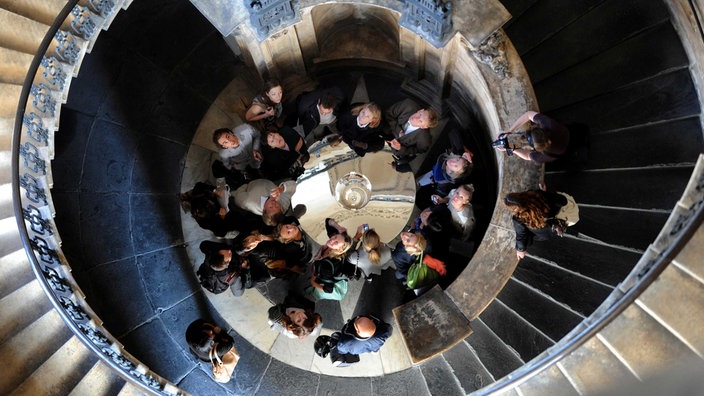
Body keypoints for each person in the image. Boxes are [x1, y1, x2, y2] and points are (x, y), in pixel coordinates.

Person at [504, 187, 576, 259]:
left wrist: (520, 250)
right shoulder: (538, 194)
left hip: (546, 232)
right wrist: (545, 193)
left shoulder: (519, 218)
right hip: (557, 221)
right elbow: (563, 201)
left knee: (526, 236)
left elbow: (521, 235)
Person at [416, 128, 474, 208]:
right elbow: (453, 132)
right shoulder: (455, 155)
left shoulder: (442, 179)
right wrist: (462, 151)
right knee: (420, 181)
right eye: (457, 159)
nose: (453, 162)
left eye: (456, 166)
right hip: (434, 171)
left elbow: (441, 192)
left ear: (454, 173)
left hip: (433, 176)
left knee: (420, 182)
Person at [179, 182, 261, 237]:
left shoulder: (199, 196)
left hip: (217, 201)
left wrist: (214, 190)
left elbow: (199, 185)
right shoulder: (205, 222)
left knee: (203, 191)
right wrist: (222, 218)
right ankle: (187, 204)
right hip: (227, 217)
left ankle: (187, 196)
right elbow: (220, 233)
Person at [306, 218, 354, 301]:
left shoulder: (326, 266)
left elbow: (328, 290)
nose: (332, 240)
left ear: (340, 249)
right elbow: (328, 221)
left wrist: (313, 283)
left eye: (336, 242)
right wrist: (338, 227)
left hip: (324, 272)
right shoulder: (335, 246)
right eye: (335, 237)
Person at [497, 110, 570, 164]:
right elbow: (528, 115)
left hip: (567, 149)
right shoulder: (549, 124)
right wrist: (509, 131)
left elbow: (527, 156)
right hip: (568, 132)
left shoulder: (546, 155)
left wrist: (512, 148)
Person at [384, 98, 439, 170]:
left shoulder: (425, 139)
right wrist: (398, 131)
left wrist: (401, 148)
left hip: (399, 150)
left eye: (420, 121)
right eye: (419, 114)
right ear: (420, 110)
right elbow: (388, 114)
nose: (415, 118)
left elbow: (418, 151)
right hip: (387, 132)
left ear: (423, 127)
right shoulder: (408, 105)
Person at [232, 179, 298, 227]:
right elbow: (293, 185)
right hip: (267, 180)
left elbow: (237, 197)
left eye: (271, 207)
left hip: (247, 184)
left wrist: (246, 185)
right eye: (277, 207)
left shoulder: (247, 202)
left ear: (264, 210)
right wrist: (282, 189)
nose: (274, 203)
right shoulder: (283, 205)